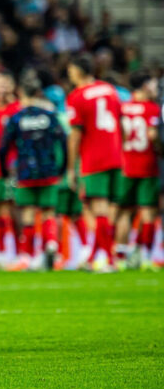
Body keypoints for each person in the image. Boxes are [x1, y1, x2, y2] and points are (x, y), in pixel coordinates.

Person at [0, 77, 67, 271]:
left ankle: (26, 257)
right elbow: (63, 141)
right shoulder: (49, 115)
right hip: (49, 170)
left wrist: (5, 171)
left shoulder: (17, 117)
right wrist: (62, 168)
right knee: (48, 212)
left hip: (26, 171)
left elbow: (3, 147)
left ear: (21, 93)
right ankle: (51, 244)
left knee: (27, 213)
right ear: (38, 93)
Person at [65, 53, 123, 272]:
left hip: (94, 158)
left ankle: (110, 260)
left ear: (79, 71)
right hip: (115, 156)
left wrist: (71, 167)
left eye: (71, 70)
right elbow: (121, 123)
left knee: (98, 209)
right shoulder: (110, 90)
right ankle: (92, 258)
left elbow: (75, 135)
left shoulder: (77, 96)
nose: (70, 75)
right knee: (102, 208)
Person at [116, 70, 160, 269]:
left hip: (125, 165)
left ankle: (121, 256)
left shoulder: (122, 108)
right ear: (144, 86)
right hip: (147, 165)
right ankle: (145, 257)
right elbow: (152, 137)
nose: (154, 88)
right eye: (151, 84)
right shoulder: (152, 109)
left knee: (124, 212)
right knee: (148, 212)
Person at [0, 72, 22, 266]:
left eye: (6, 84)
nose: (3, 88)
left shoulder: (17, 108)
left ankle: (19, 252)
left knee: (14, 208)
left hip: (14, 164)